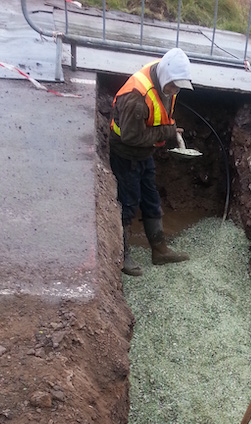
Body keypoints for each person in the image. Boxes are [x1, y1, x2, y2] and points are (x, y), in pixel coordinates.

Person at [109, 48, 194, 277]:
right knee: (128, 202)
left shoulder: (167, 80)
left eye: (178, 87)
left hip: (145, 153)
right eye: (173, 86)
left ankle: (159, 250)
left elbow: (157, 117)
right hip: (126, 152)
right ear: (166, 76)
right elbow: (130, 136)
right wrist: (165, 133)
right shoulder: (136, 98)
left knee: (151, 200)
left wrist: (167, 131)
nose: (175, 91)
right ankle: (123, 256)